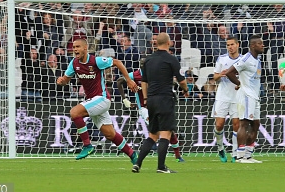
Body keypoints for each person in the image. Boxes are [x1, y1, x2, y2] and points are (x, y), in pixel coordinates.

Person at [56, 39, 139, 164]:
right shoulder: (74, 63)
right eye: (73, 47)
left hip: (102, 98)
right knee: (110, 134)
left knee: (74, 113)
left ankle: (87, 145)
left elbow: (117, 62)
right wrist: (62, 81)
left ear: (85, 48)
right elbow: (66, 79)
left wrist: (128, 80)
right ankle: (133, 155)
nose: (75, 49)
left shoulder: (95, 61)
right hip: (92, 101)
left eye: (78, 46)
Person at [133, 33, 189, 174]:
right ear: (169, 42)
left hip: (151, 100)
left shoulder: (148, 60)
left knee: (152, 135)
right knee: (165, 134)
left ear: (156, 43)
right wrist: (186, 90)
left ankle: (137, 164)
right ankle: (161, 167)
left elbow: (143, 81)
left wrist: (145, 99)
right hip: (164, 99)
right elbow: (181, 80)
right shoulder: (171, 59)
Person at [116, 58, 185, 163]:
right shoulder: (134, 75)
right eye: (142, 64)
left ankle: (176, 155)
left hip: (158, 105)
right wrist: (125, 99)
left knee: (168, 132)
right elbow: (119, 81)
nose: (144, 65)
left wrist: (174, 90)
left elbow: (171, 82)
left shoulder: (155, 74)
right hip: (144, 109)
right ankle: (155, 158)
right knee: (161, 131)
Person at [224, 35, 265, 164]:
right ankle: (240, 156)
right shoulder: (246, 59)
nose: (262, 45)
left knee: (256, 124)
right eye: (259, 43)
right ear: (252, 46)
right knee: (244, 123)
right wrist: (239, 84)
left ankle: (248, 155)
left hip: (255, 96)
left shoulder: (257, 59)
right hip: (246, 95)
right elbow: (229, 72)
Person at [212, 36, 242, 162]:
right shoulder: (222, 59)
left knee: (236, 125)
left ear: (237, 45)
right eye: (228, 45)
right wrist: (221, 74)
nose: (230, 47)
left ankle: (235, 153)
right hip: (222, 96)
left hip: (237, 96)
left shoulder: (243, 60)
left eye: (232, 44)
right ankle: (220, 148)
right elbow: (214, 77)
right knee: (219, 124)